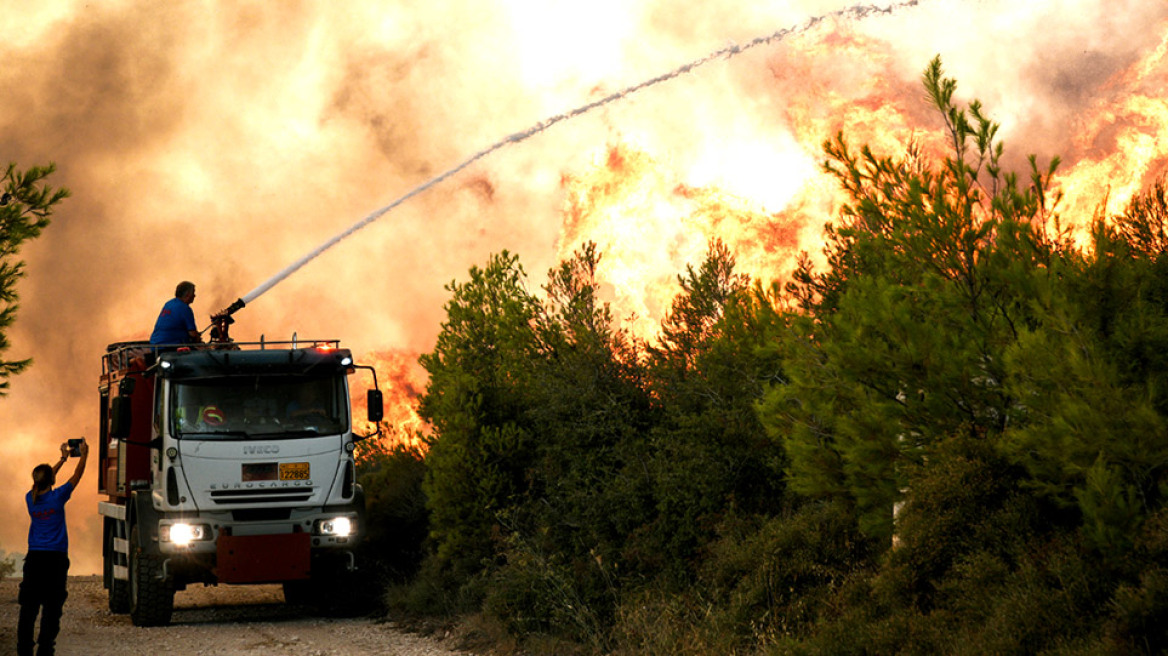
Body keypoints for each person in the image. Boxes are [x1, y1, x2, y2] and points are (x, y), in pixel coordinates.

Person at [18, 439, 88, 656]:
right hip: (55, 560)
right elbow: (76, 477)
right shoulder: (58, 498)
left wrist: (62, 459)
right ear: (51, 480)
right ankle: (45, 649)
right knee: (52, 607)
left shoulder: (31, 498)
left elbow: (46, 479)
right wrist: (84, 455)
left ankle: (24, 650)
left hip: (34, 558)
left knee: (28, 607)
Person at [149, 280, 201, 345]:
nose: (194, 295)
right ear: (187, 295)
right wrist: (198, 338)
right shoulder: (185, 308)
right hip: (169, 347)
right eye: (193, 293)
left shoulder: (168, 304)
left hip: (155, 344)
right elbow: (193, 334)